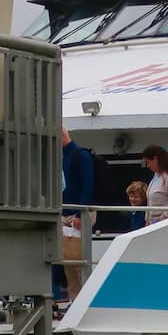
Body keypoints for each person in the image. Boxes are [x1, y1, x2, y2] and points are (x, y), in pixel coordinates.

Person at [60, 126, 96, 302]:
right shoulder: (63, 157)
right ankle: (75, 300)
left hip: (78, 214)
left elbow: (87, 184)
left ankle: (85, 300)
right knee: (68, 262)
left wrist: (81, 213)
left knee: (78, 260)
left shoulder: (80, 155)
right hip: (66, 213)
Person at [141, 144, 168, 224]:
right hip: (153, 224)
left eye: (148, 162)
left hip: (165, 224)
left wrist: (162, 219)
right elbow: (149, 201)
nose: (147, 166)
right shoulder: (155, 176)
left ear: (155, 159)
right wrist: (147, 219)